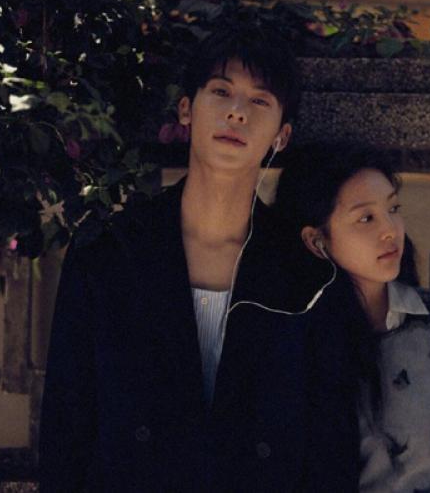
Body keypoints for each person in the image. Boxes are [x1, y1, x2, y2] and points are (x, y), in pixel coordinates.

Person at [39, 25, 360, 492]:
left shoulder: (308, 275)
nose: (237, 112)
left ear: (282, 135)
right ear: (187, 109)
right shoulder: (109, 254)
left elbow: (330, 450)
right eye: (221, 91)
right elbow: (66, 432)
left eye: (260, 101)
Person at [274, 145, 430, 492]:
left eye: (393, 209)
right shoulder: (292, 347)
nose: (391, 229)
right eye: (366, 218)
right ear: (317, 241)